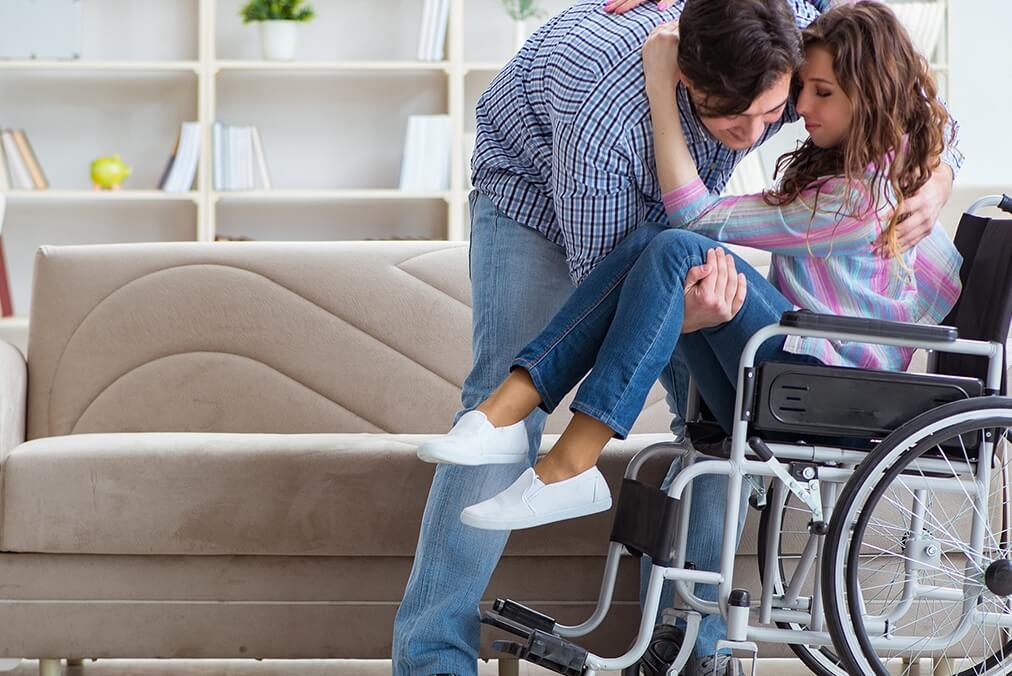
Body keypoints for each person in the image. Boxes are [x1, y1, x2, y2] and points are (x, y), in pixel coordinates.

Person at [393, 2, 963, 675]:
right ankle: (436, 651)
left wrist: (939, 168)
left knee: (693, 353)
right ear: (687, 82)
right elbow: (608, 285)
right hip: (541, 204)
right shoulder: (601, 115)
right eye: (736, 122)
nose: (763, 133)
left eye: (776, 109)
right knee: (656, 262)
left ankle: (693, 646)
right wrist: (676, 319)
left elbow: (901, 81)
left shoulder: (806, 49)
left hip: (815, 354)